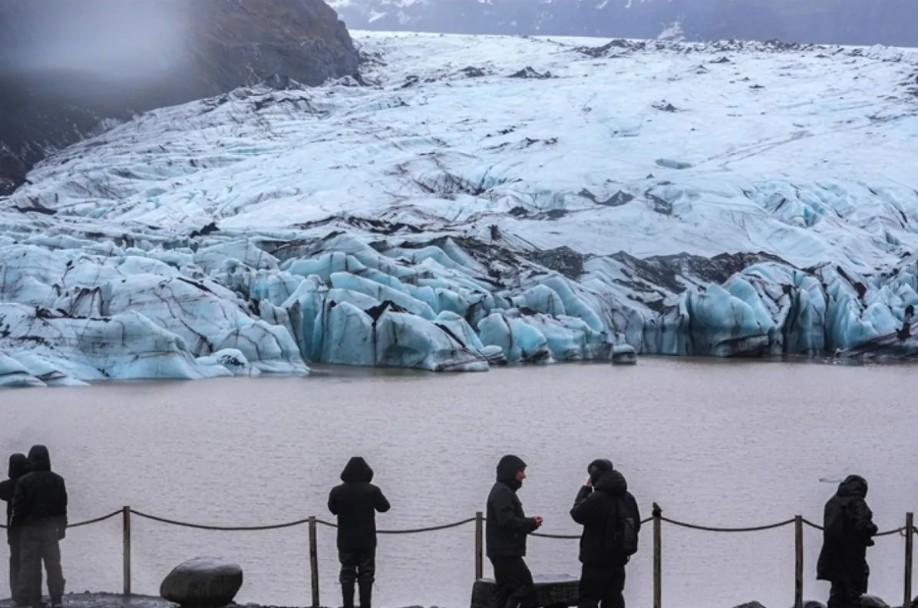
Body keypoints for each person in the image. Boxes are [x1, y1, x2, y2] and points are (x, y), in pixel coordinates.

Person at [570, 460, 641, 608]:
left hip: (595, 561)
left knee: (588, 599)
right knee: (614, 598)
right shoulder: (628, 497)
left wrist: (585, 489)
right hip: (619, 560)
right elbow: (636, 525)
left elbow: (577, 514)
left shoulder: (597, 498)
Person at [328, 457, 390, 608]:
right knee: (366, 573)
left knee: (347, 573)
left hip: (345, 539)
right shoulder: (372, 491)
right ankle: (365, 605)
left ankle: (347, 605)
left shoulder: (337, 491)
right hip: (367, 539)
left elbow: (333, 509)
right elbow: (384, 507)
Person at [11, 445, 67, 608]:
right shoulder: (58, 480)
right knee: (54, 565)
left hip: (29, 531)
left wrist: (15, 529)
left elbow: (19, 509)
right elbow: (62, 507)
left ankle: (23, 600)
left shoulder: (24, 481)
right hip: (50, 530)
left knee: (28, 567)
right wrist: (62, 528)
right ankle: (56, 599)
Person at [486, 455, 543, 608]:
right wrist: (530, 523)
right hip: (506, 552)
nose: (524, 476)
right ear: (511, 472)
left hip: (501, 551)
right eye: (521, 471)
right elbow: (506, 521)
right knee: (524, 588)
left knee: (504, 591)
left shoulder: (502, 491)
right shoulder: (502, 493)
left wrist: (529, 523)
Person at [816, 474, 878, 608]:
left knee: (837, 592)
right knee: (853, 594)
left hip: (832, 555)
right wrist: (872, 529)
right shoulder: (857, 501)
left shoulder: (831, 502)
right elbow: (862, 524)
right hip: (851, 555)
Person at [0, 453, 28, 604]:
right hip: (32, 531)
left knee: (15, 561)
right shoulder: (30, 483)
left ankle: (16, 595)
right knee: (30, 562)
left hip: (14, 532)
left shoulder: (6, 486)